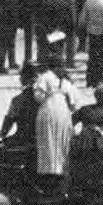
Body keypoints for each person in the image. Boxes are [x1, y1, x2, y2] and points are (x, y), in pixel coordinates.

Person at [32, 63, 75, 195]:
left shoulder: (45, 77)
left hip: (48, 112)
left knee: (47, 145)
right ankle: (61, 173)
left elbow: (38, 97)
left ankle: (48, 178)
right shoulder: (66, 81)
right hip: (64, 113)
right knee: (62, 144)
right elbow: (74, 104)